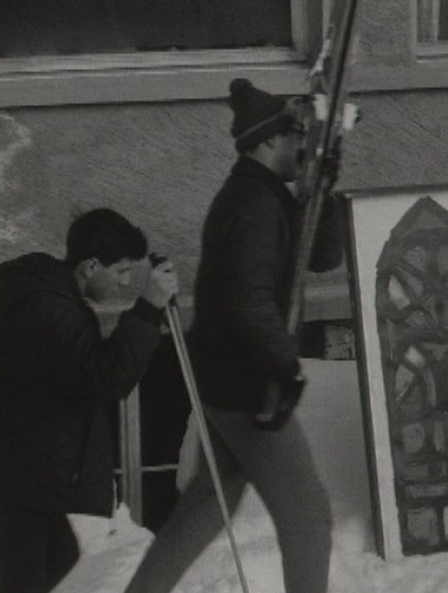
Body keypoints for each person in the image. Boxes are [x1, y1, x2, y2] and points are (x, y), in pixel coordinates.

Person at [123, 78, 345, 593]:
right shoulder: (252, 206)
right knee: (309, 517)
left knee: (208, 499)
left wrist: (322, 194)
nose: (302, 146)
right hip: (248, 386)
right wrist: (285, 366)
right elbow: (248, 304)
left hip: (226, 379)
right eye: (295, 136)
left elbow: (324, 257)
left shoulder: (266, 196)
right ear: (267, 142)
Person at [0, 208, 179, 593]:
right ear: (91, 266)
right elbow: (107, 378)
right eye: (121, 271)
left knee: (60, 559)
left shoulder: (46, 296)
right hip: (12, 473)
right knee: (25, 583)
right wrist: (148, 307)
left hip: (22, 465)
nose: (125, 283)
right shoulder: (52, 310)